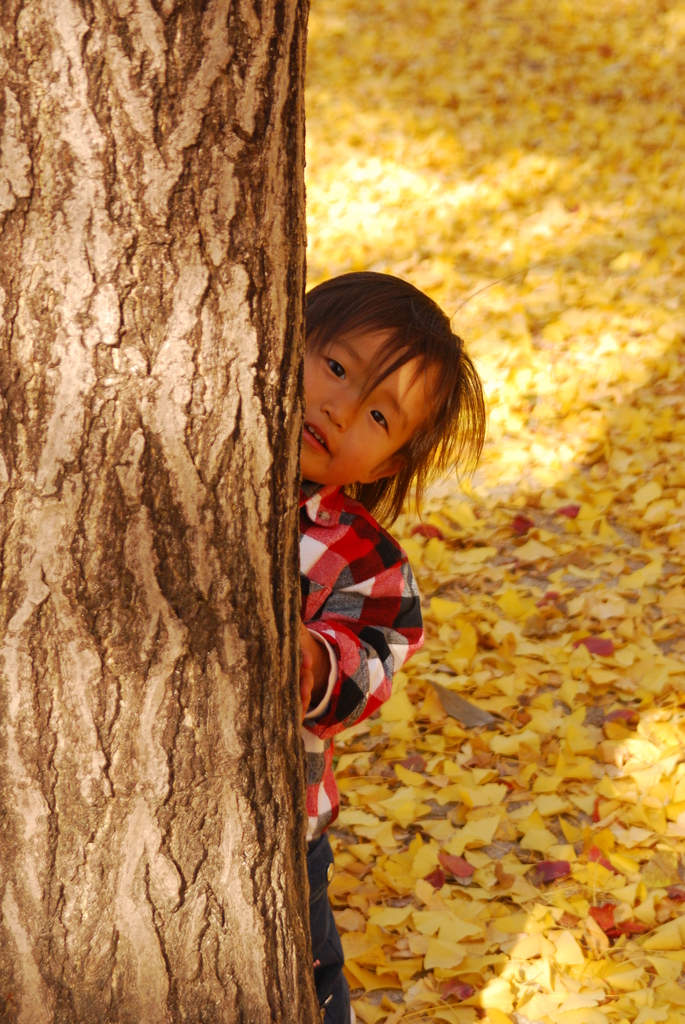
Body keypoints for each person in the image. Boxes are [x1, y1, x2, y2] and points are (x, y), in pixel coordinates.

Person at [298, 271, 485, 1023]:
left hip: (282, 832)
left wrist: (306, 660)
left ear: (385, 467)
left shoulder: (366, 559)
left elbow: (368, 662)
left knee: (309, 985)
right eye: (335, 368)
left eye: (376, 413)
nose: (339, 408)